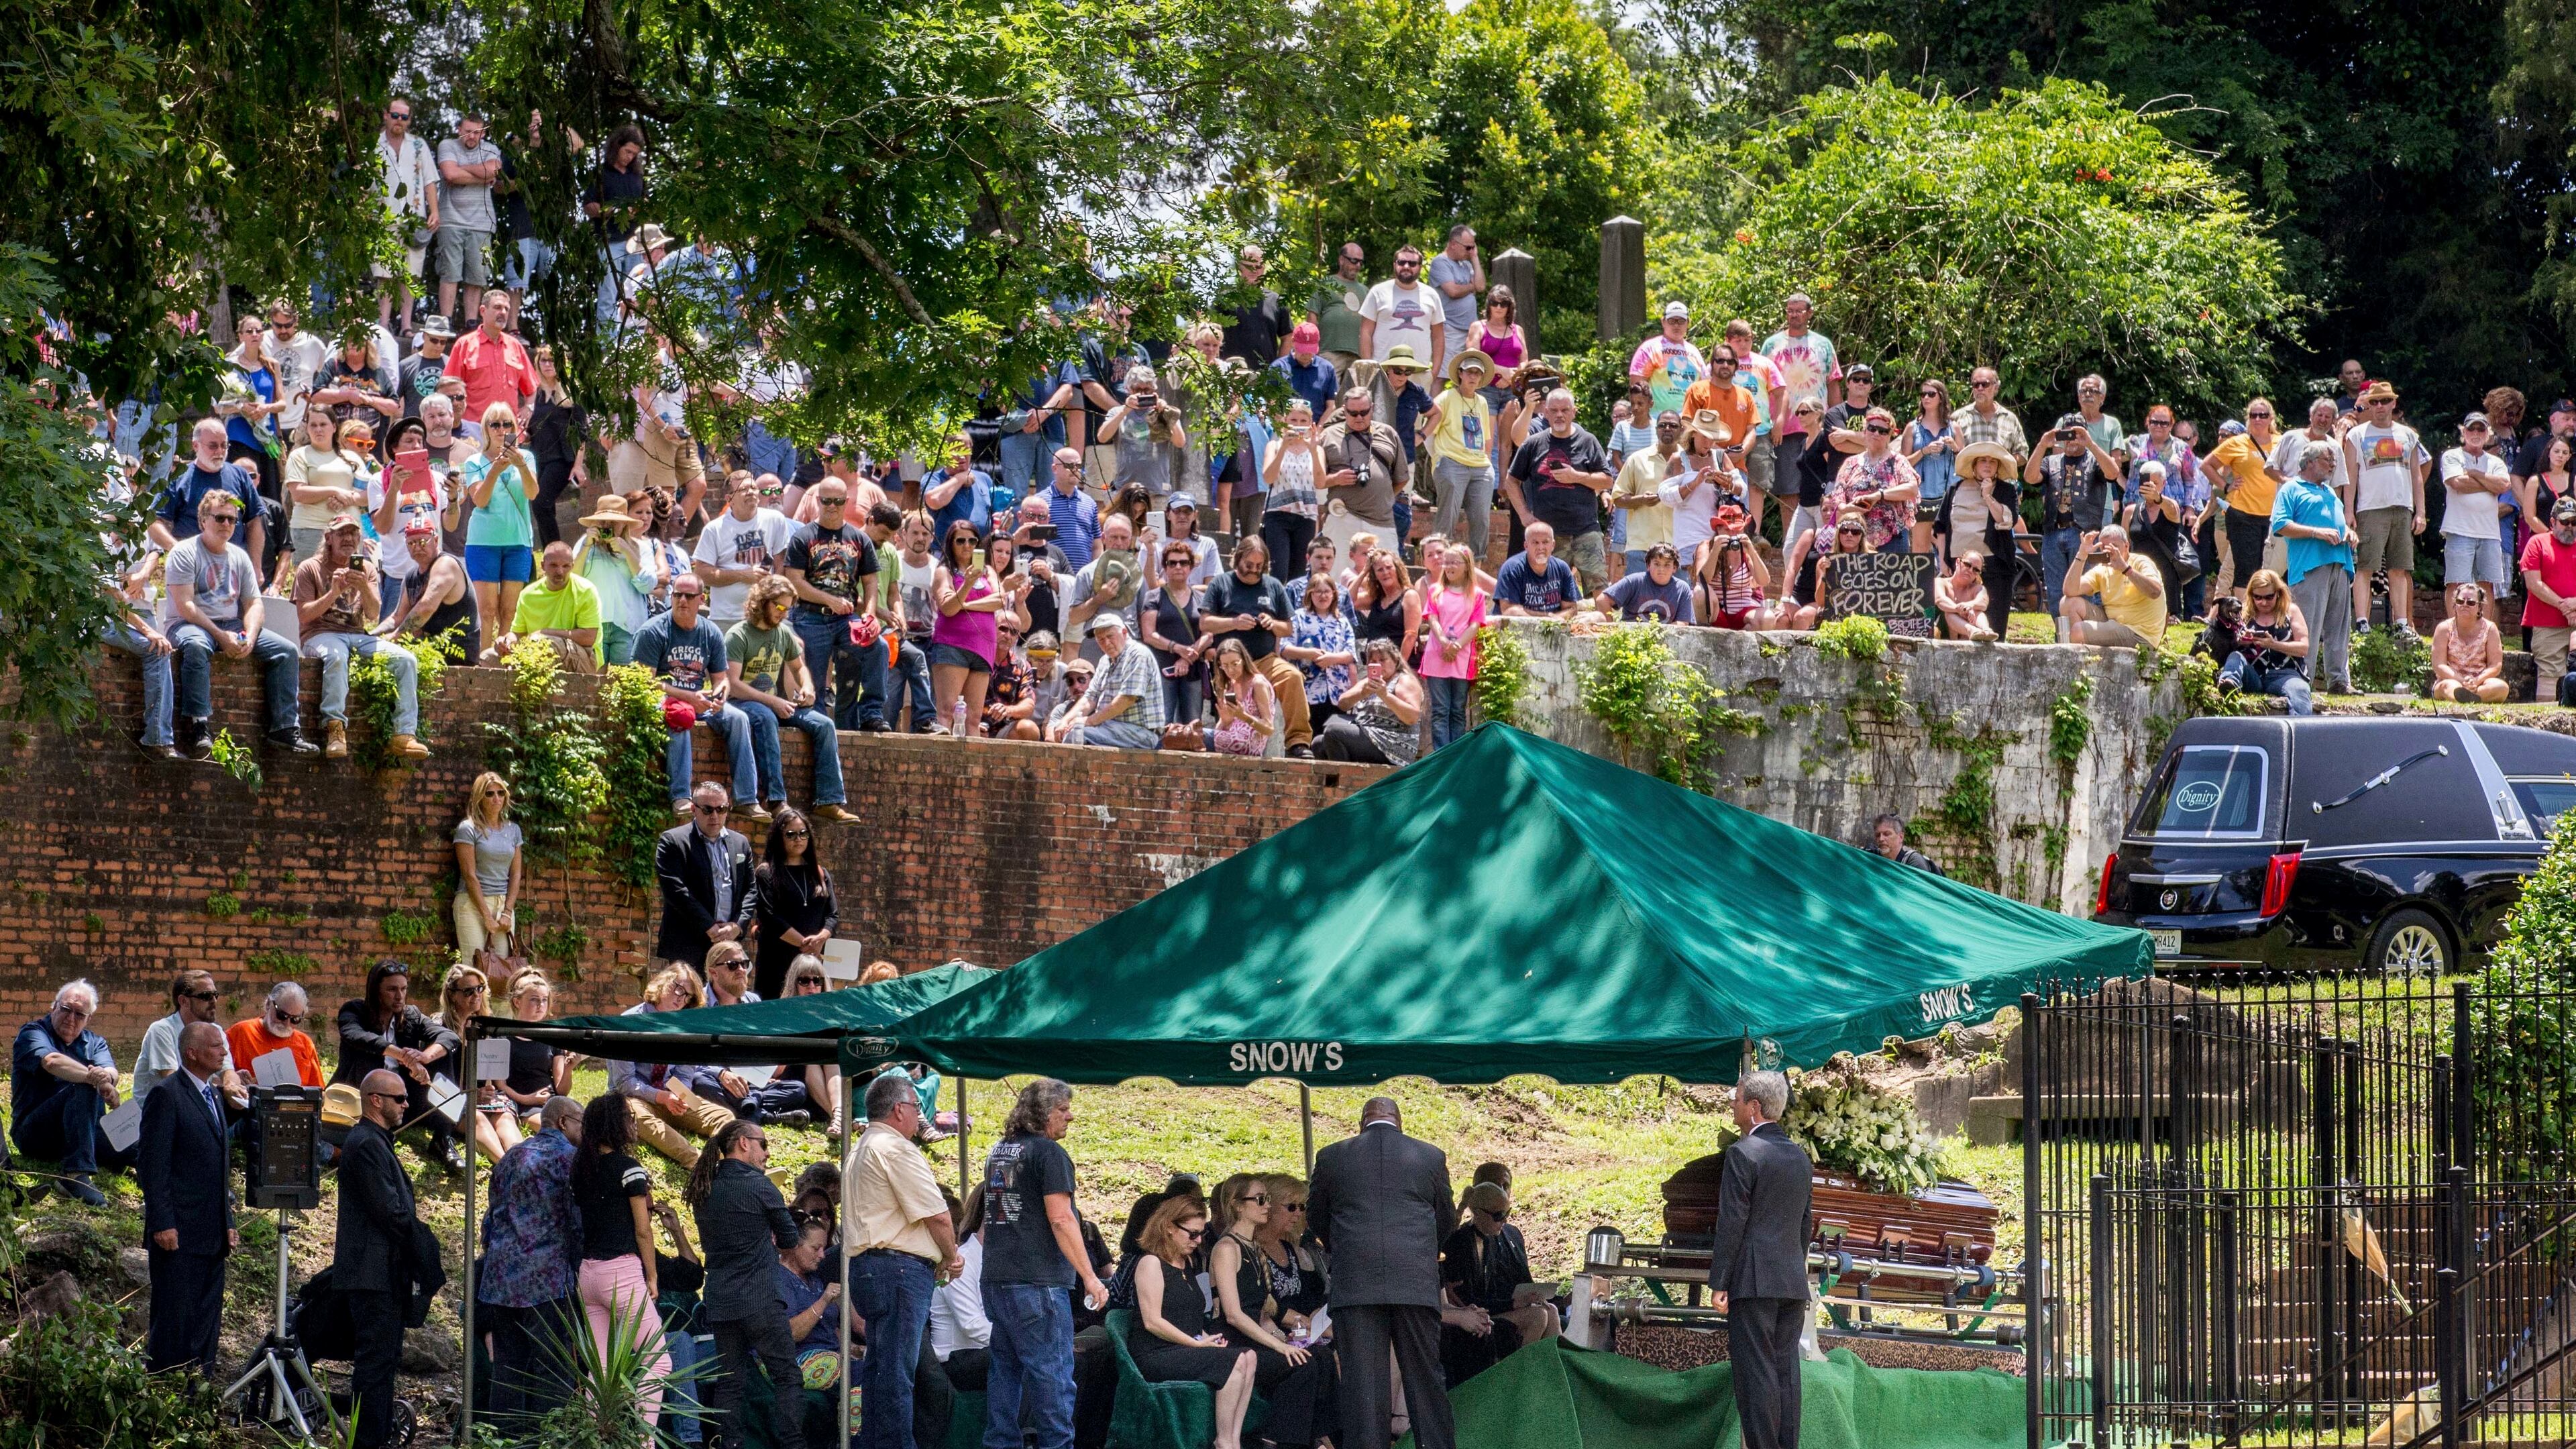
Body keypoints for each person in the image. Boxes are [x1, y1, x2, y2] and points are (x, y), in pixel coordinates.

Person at [1308, 1096, 1457, 1449]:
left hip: (1356, 1285)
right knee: (1426, 1380)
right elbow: (1447, 1220)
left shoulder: (1331, 1156)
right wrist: (1421, 1251)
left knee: (1364, 1390)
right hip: (1415, 1284)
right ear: (1399, 1122)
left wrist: (1343, 1246)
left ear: (1362, 1123)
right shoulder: (1430, 1156)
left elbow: (1317, 1217)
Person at [975, 1079, 1110, 1449]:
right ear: (1042, 1113)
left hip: (998, 1279)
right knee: (1053, 1378)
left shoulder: (1000, 1151)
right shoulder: (1049, 1154)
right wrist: (1090, 1277)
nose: (1070, 1115)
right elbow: (1062, 1219)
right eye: (1062, 1109)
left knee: (1006, 1374)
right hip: (1038, 1284)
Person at [847, 1069, 964, 1449]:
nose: (920, 1116)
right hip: (898, 1269)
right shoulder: (895, 1147)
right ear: (899, 1109)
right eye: (917, 1108)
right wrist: (952, 1257)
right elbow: (938, 1215)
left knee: (880, 1370)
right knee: (896, 1375)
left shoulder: (860, 1148)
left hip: (868, 1268)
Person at [163, 488, 315, 756]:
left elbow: (254, 604)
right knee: (197, 646)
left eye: (232, 520)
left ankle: (284, 728)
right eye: (220, 518)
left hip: (231, 624)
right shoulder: (184, 552)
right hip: (189, 624)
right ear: (203, 520)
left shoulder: (240, 556)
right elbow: (186, 606)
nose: (226, 524)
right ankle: (199, 726)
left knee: (286, 650)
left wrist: (250, 636)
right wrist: (220, 636)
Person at [686, 1118, 808, 1449]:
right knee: (787, 1377)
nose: (767, 1153)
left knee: (730, 1383)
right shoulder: (760, 1186)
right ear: (744, 1143)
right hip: (761, 1300)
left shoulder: (704, 1188)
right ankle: (792, 1445)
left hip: (721, 1301)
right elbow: (789, 1240)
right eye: (763, 1144)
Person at [1709, 1069, 1814, 1449]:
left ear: (1754, 1108)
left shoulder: (1742, 1153)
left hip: (1752, 1283)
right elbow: (1806, 1224)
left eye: (1737, 1099)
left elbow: (1732, 1221)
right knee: (1786, 1372)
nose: (1732, 1105)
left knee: (1756, 1377)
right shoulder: (1800, 1158)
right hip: (1790, 1281)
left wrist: (1720, 1281)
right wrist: (1792, 1267)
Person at [1207, 1173, 1340, 1448]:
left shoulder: (1253, 1248)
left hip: (1255, 1337)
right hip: (1233, 1342)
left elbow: (1263, 1312)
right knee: (1302, 1363)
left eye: (1267, 1199)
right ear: (1237, 1205)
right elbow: (1233, 1314)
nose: (1267, 1205)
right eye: (1260, 1199)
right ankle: (1282, 1440)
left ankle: (1313, 1438)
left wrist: (1284, 1338)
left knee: (1320, 1355)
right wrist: (1280, 1347)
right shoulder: (1226, 1248)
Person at [134, 1020, 235, 1379]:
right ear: (192, 1053)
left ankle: (198, 1395)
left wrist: (229, 1221)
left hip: (211, 1234)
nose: (224, 1052)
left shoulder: (213, 1095)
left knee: (206, 1322)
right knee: (174, 1321)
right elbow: (152, 1164)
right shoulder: (168, 1094)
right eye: (215, 1047)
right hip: (177, 1234)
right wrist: (162, 1221)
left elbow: (218, 1167)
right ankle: (164, 1393)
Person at [480, 1093, 585, 1427]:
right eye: (583, 1123)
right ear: (564, 1122)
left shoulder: (511, 1157)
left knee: (507, 1368)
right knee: (552, 1369)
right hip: (547, 1280)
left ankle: (501, 1440)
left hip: (501, 1280)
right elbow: (577, 1222)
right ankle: (548, 1440)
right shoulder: (570, 1160)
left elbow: (490, 1216)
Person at [571, 1093, 674, 1428]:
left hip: (587, 1274)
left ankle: (592, 1436)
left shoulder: (581, 1167)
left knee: (601, 1370)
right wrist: (653, 1276)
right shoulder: (629, 1170)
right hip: (622, 1272)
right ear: (616, 1124)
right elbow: (643, 1231)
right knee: (658, 1362)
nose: (634, 1122)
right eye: (629, 1116)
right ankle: (641, 1441)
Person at [1127, 1195, 1260, 1449]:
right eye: (1192, 1234)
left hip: (1185, 1346)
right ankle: (1224, 1441)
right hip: (1156, 1353)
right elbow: (1153, 1321)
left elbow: (1187, 1315)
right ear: (1169, 1227)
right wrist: (1195, 1344)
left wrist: (1204, 1338)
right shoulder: (1150, 1263)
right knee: (1234, 1360)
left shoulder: (1187, 1263)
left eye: (1201, 1234)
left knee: (1249, 1357)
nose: (1198, 1241)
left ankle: (1233, 1439)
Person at [297, 514, 431, 761]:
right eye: (341, 533)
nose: (348, 538)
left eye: (353, 533)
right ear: (329, 538)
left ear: (360, 538)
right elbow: (304, 616)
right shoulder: (310, 568)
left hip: (358, 635)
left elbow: (373, 614)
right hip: (320, 634)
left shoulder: (367, 568)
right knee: (337, 657)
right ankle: (335, 727)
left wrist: (364, 588)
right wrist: (333, 593)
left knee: (406, 660)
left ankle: (403, 734)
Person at [727, 577, 854, 821]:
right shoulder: (738, 635)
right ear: (762, 602)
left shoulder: (783, 634)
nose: (784, 613)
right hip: (741, 704)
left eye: (788, 608)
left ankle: (828, 801)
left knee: (824, 724)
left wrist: (808, 687)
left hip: (775, 704)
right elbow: (733, 684)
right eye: (779, 607)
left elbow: (799, 668)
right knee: (765, 718)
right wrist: (772, 701)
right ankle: (776, 800)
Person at [639, 576, 763, 814]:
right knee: (682, 716)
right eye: (677, 595)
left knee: (739, 719)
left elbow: (722, 679)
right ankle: (680, 797)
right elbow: (645, 682)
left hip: (700, 700)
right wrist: (688, 697)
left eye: (689, 596)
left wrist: (720, 696)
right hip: (666, 698)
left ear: (701, 600)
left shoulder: (711, 632)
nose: (682, 601)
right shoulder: (653, 631)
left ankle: (747, 799)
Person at [335, 959, 465, 1171]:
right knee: (367, 1055)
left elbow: (449, 1037)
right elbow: (356, 1036)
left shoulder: (411, 1015)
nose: (399, 996)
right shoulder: (354, 1010)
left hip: (405, 1099)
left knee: (442, 1054)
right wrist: (402, 1056)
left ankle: (443, 1138)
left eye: (404, 989)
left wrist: (424, 1057)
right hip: (362, 1096)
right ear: (376, 991)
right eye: (392, 990)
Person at [12, 981, 128, 1203]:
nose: (71, 1018)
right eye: (66, 1009)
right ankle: (75, 1176)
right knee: (82, 1088)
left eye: (79, 1014)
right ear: (54, 1007)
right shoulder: (33, 1033)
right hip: (36, 1134)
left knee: (138, 1147)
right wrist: (94, 1079)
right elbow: (52, 1061)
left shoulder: (95, 1042)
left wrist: (107, 1081)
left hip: (85, 1132)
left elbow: (111, 1071)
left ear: (88, 1019)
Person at [1200, 536, 1313, 755]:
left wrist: (1273, 624)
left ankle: (1298, 742)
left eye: (1259, 567)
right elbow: (1205, 622)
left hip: (1265, 659)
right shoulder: (1221, 583)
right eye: (1249, 565)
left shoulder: (1273, 586)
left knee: (1293, 677)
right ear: (1238, 559)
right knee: (1228, 702)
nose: (1254, 571)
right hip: (1230, 663)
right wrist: (1234, 622)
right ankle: (1227, 741)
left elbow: (1288, 628)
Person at [1438, 1180, 1555, 1386]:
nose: (1504, 1221)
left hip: (1483, 1308)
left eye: (1507, 1214)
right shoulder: (1460, 1244)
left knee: (1550, 1310)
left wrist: (1518, 1299)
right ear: (1478, 1213)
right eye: (1498, 1215)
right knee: (1538, 1316)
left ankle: (1549, 1377)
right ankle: (1515, 1381)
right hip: (1469, 1312)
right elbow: (1466, 1298)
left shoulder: (1492, 1240)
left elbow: (1491, 1289)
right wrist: (1512, 1303)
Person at [2270, 440, 2359, 695]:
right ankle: (2302, 681)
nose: (2332, 464)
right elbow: (2281, 525)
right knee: (2307, 626)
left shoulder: (2330, 492)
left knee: (2339, 627)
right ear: (2309, 462)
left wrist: (2350, 534)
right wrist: (2316, 533)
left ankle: (2339, 681)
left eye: (2333, 461)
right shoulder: (2291, 489)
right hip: (2310, 566)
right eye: (2327, 460)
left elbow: (2338, 523)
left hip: (2340, 563)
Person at [1504, 390, 1614, 594]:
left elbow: (1607, 480)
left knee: (1599, 589)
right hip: (1548, 536)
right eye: (1554, 410)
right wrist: (1524, 515)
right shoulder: (1533, 444)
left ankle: (1604, 625)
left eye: (1565, 410)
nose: (1559, 415)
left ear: (1574, 412)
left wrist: (1577, 477)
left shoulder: (1588, 441)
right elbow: (1511, 481)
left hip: (1586, 531)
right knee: (1547, 591)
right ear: (1546, 412)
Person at [2027, 416, 2125, 629]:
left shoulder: (2094, 460)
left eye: (2076, 434)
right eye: (2067, 434)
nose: (2071, 439)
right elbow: (2030, 477)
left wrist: (2089, 443)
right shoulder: (2051, 461)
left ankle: (2085, 633)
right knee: (2054, 590)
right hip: (2053, 532)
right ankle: (2061, 634)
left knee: (2085, 588)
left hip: (2084, 535)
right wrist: (2043, 445)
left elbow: (2113, 472)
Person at [657, 779, 757, 970]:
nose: (715, 816)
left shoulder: (741, 843)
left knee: (727, 1000)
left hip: (729, 942)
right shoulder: (674, 841)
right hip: (688, 942)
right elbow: (676, 891)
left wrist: (737, 926)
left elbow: (750, 890)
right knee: (690, 999)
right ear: (694, 809)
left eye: (721, 809)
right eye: (708, 810)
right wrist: (709, 926)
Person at [2441, 413, 2513, 621]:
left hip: (2490, 533)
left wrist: (2475, 474)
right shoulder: (2452, 456)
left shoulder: (2496, 462)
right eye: (2471, 429)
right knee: (2456, 584)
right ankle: (2455, 630)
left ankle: (2483, 634)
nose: (2475, 433)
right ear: (2463, 432)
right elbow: (2458, 484)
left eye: (2480, 429)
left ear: (2487, 433)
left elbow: (2503, 486)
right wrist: (2488, 485)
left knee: (2487, 585)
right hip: (2459, 530)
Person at [134, 969, 242, 1105]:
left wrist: (231, 1087)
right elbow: (173, 1081)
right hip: (161, 1112)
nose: (214, 1001)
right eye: (205, 996)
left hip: (194, 1105)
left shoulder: (216, 1031)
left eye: (216, 995)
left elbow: (228, 1071)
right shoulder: (162, 1030)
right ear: (184, 1001)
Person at [2216, 570, 2316, 714]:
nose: (2263, 602)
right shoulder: (2243, 613)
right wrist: (2241, 641)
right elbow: (2227, 642)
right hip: (2253, 674)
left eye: (2269, 597)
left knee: (2300, 691)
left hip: (2285, 675)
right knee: (2235, 657)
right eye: (2258, 597)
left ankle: (2300, 732)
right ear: (2251, 595)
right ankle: (2228, 684)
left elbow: (2304, 648)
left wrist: (2273, 644)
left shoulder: (2291, 611)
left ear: (2278, 593)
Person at [1419, 543, 1485, 751]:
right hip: (1437, 654)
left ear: (1466, 565)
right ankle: (1441, 753)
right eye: (1446, 562)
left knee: (1457, 709)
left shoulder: (1476, 594)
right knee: (1440, 710)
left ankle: (1455, 752)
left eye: (1454, 562)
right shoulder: (1435, 591)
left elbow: (1475, 625)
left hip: (1463, 657)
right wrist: (1445, 642)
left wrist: (1456, 645)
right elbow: (1433, 620)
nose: (1448, 567)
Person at [452, 770, 524, 957]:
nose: (496, 798)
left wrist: (508, 911)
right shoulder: (468, 828)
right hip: (472, 903)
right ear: (479, 798)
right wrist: (485, 915)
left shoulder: (513, 830)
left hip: (502, 905)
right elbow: (469, 875)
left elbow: (516, 874)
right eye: (490, 794)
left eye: (501, 793)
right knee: (474, 966)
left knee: (501, 967)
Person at [2058, 525, 2165, 649]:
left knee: (2077, 631)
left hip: (2140, 633)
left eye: (2114, 546)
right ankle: (2084, 653)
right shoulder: (2102, 569)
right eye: (2105, 547)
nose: (2110, 551)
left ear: (2127, 546)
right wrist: (2082, 555)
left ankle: (2082, 652)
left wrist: (2126, 569)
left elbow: (2155, 592)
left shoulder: (2141, 562)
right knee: (2067, 603)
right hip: (2114, 623)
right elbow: (2070, 590)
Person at [496, 970, 573, 1130]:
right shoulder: (503, 1037)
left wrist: (569, 1068)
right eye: (534, 1000)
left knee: (586, 1129)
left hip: (552, 1103)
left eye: (545, 1000)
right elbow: (501, 1085)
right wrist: (528, 1099)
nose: (541, 1005)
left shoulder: (553, 1036)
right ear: (517, 1002)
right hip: (523, 1105)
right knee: (558, 1130)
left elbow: (561, 1090)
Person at [2523, 499, 2576, 704]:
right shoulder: (2537, 543)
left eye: (2574, 521)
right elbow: (2533, 583)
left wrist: (2574, 604)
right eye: (2565, 522)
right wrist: (2565, 605)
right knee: (2549, 677)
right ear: (2553, 522)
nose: (2570, 526)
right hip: (2547, 624)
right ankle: (2546, 731)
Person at [227, 981, 326, 1089]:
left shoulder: (305, 1043)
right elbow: (213, 1078)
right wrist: (234, 1079)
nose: (287, 1023)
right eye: (282, 1015)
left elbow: (318, 1092)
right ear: (269, 1004)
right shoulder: (240, 1032)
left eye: (295, 1019)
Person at [2121, 462, 2189, 619]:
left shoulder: (2170, 508)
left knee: (2166, 618)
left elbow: (2173, 509)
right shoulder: (2130, 512)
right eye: (2147, 483)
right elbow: (2125, 545)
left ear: (2163, 484)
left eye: (2155, 484)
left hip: (2166, 575)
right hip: (2140, 574)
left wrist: (2157, 498)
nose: (2150, 488)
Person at [1692, 506, 1772, 631]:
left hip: (1743, 611)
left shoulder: (1746, 550)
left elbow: (1764, 581)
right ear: (1718, 529)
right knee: (1699, 592)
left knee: (1768, 617)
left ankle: (1743, 647)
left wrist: (1751, 551)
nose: (1733, 535)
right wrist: (1715, 551)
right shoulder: (1707, 547)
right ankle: (1706, 636)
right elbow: (1702, 580)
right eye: (1728, 530)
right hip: (1716, 612)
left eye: (1737, 530)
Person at [2430, 583, 2510, 703]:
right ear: (2455, 605)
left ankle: (2466, 698)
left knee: (2501, 687)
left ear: (2479, 607)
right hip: (2451, 680)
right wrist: (2462, 681)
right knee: (2447, 686)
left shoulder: (2490, 629)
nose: (2464, 605)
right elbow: (2439, 665)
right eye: (2460, 601)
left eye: (2471, 603)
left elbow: (2495, 665)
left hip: (2479, 682)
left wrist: (2476, 682)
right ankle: (2465, 697)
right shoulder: (2444, 628)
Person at [1493, 522, 1579, 617]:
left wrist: (1555, 621)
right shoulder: (1512, 569)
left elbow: (1571, 608)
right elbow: (1509, 611)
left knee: (1598, 616)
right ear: (1526, 546)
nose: (1541, 547)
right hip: (1514, 630)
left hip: (1554, 626)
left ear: (1553, 545)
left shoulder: (1562, 568)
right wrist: (1547, 619)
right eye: (1535, 543)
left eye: (1545, 542)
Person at [1597, 541, 1694, 623]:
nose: (1661, 569)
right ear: (1648, 565)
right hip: (1631, 636)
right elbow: (1602, 600)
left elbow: (1683, 623)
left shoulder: (1682, 589)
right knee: (1596, 617)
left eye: (1667, 565)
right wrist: (1611, 630)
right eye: (1657, 564)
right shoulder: (1634, 581)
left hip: (1664, 639)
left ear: (1675, 568)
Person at [1934, 549, 1996, 642]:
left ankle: (1986, 630)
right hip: (1944, 634)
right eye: (1968, 565)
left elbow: (1983, 603)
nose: (1970, 570)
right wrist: (1960, 609)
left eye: (1976, 570)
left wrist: (1970, 605)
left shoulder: (1978, 588)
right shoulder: (1941, 582)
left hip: (1967, 637)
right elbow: (1940, 600)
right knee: (1950, 612)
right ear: (1958, 562)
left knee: (1978, 611)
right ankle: (1971, 630)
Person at [1870, 814, 1941, 872]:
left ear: (1901, 837)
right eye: (1878, 835)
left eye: (1887, 834)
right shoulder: (1876, 857)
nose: (1881, 839)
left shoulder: (1913, 861)